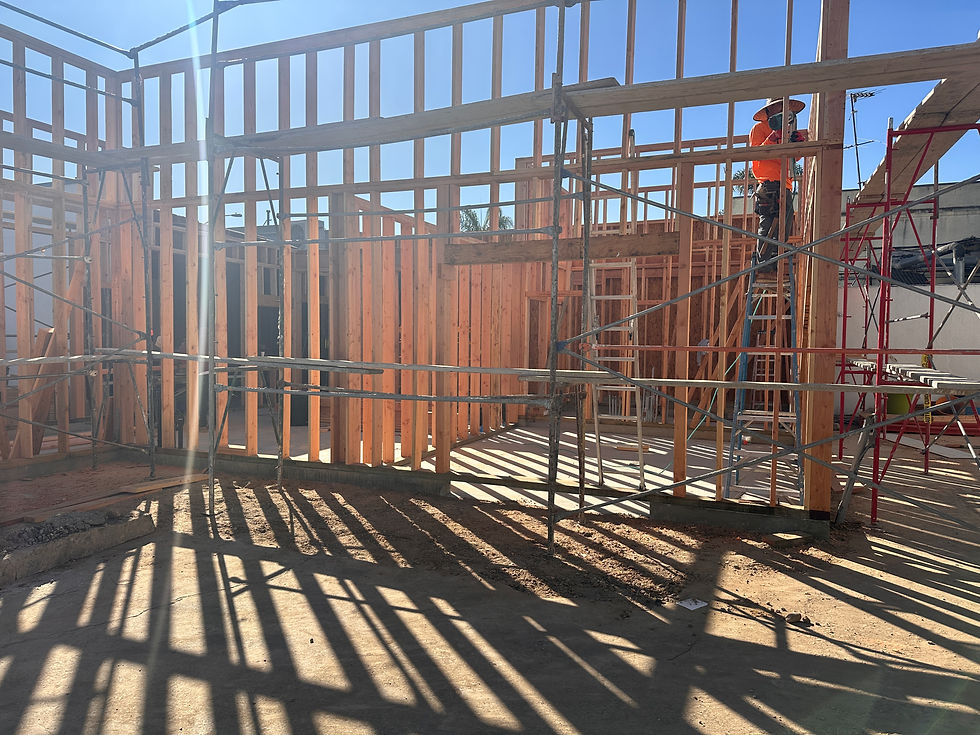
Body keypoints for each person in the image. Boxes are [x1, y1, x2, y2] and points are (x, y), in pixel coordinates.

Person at [749, 97, 808, 271]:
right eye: (777, 107)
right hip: (768, 185)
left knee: (784, 228)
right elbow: (757, 155)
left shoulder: (789, 129)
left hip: (786, 185)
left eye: (783, 107)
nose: (781, 110)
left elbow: (794, 158)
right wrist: (773, 137)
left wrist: (798, 144)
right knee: (767, 225)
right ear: (768, 111)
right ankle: (764, 264)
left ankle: (776, 264)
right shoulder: (759, 129)